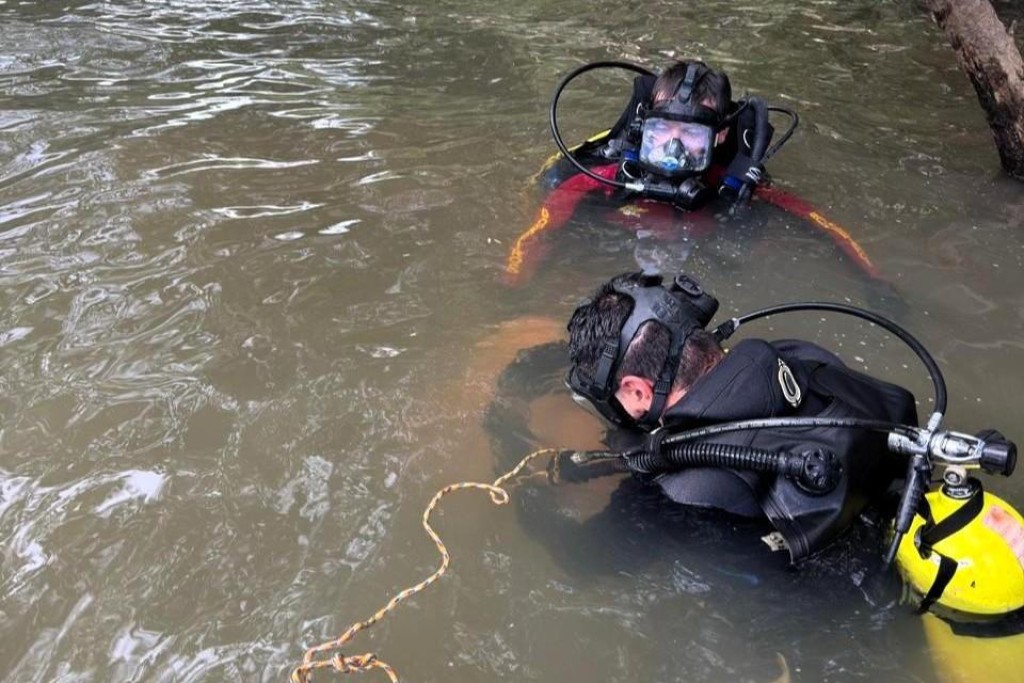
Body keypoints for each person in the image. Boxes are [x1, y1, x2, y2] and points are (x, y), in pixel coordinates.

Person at [564, 270, 918, 561]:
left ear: (638, 390)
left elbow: (581, 560)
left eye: (618, 397)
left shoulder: (682, 492)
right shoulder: (798, 356)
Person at [504, 60, 886, 288]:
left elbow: (819, 223)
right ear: (644, 127)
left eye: (689, 134)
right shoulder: (604, 181)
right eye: (661, 131)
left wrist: (874, 281)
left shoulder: (730, 185)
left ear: (719, 135)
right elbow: (541, 229)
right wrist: (513, 287)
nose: (673, 148)